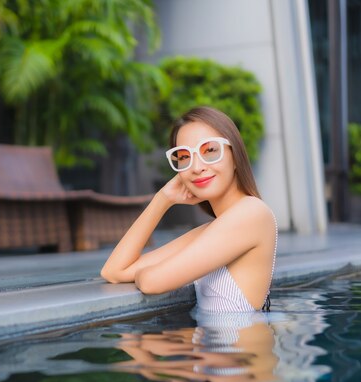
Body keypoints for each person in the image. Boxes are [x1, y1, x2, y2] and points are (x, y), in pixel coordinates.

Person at [101, 106, 277, 312]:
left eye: (210, 150)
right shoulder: (212, 230)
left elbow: (152, 282)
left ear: (235, 155)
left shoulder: (251, 213)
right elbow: (114, 271)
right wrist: (162, 199)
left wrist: (148, 273)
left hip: (236, 344)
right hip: (213, 342)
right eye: (184, 157)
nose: (196, 167)